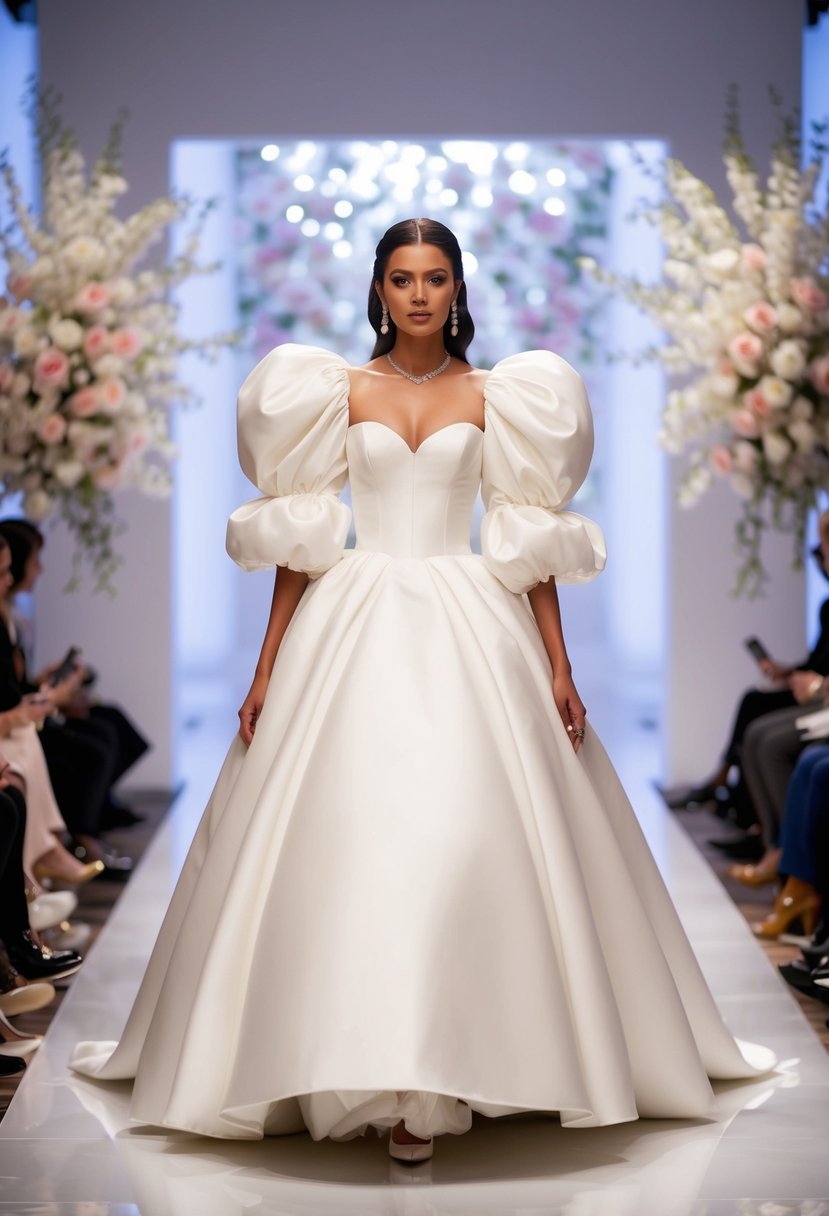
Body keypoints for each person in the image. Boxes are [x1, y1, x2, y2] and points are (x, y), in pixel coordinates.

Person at [70, 218, 775, 1161]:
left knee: (459, 840)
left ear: (456, 291)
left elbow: (526, 538)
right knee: (351, 842)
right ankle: (345, 1061)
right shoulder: (332, 392)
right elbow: (303, 542)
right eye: (401, 278)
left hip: (469, 622)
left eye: (434, 278)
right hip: (351, 625)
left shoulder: (501, 396)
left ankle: (439, 1075)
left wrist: (559, 666)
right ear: (377, 289)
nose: (416, 295)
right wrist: (268, 662)